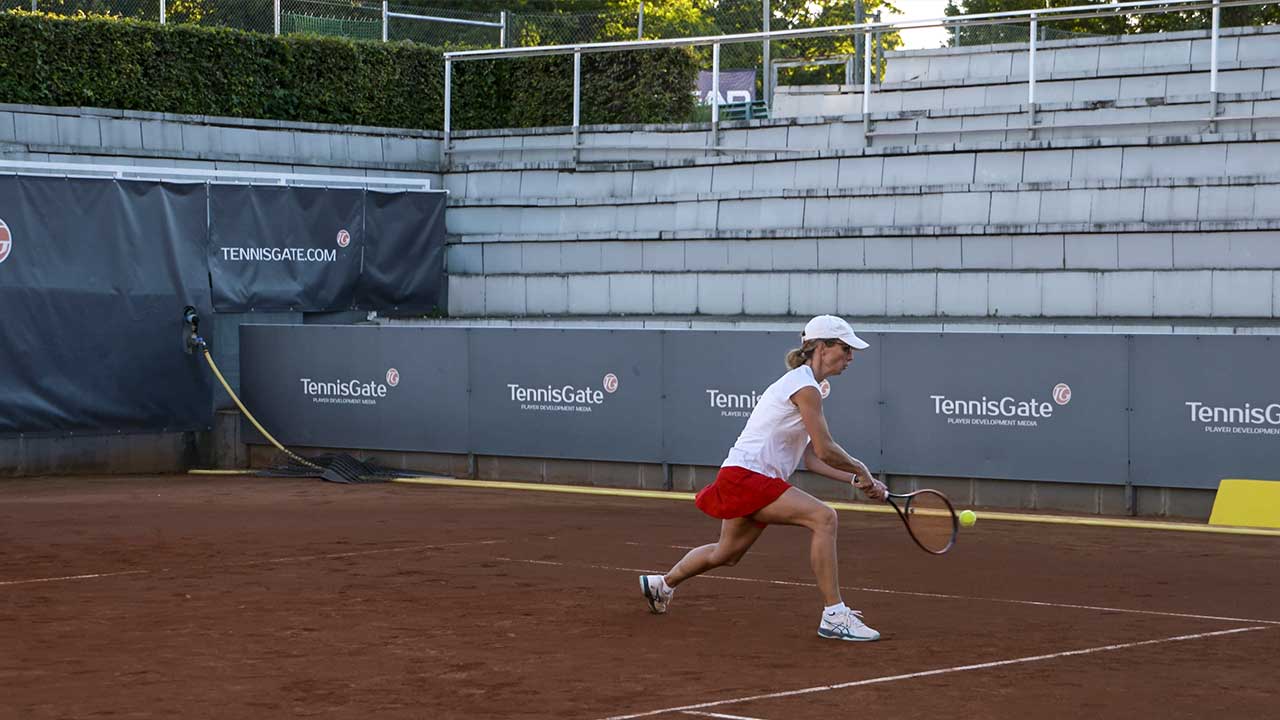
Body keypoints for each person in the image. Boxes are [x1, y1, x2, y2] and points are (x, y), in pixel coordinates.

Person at [640, 314, 888, 642]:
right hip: (748, 476)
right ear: (821, 348)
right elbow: (826, 449)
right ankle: (834, 614)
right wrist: (862, 469)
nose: (851, 356)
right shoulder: (805, 387)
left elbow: (812, 458)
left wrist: (852, 480)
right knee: (824, 518)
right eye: (845, 347)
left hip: (742, 475)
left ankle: (662, 584)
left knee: (725, 554)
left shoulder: (811, 386)